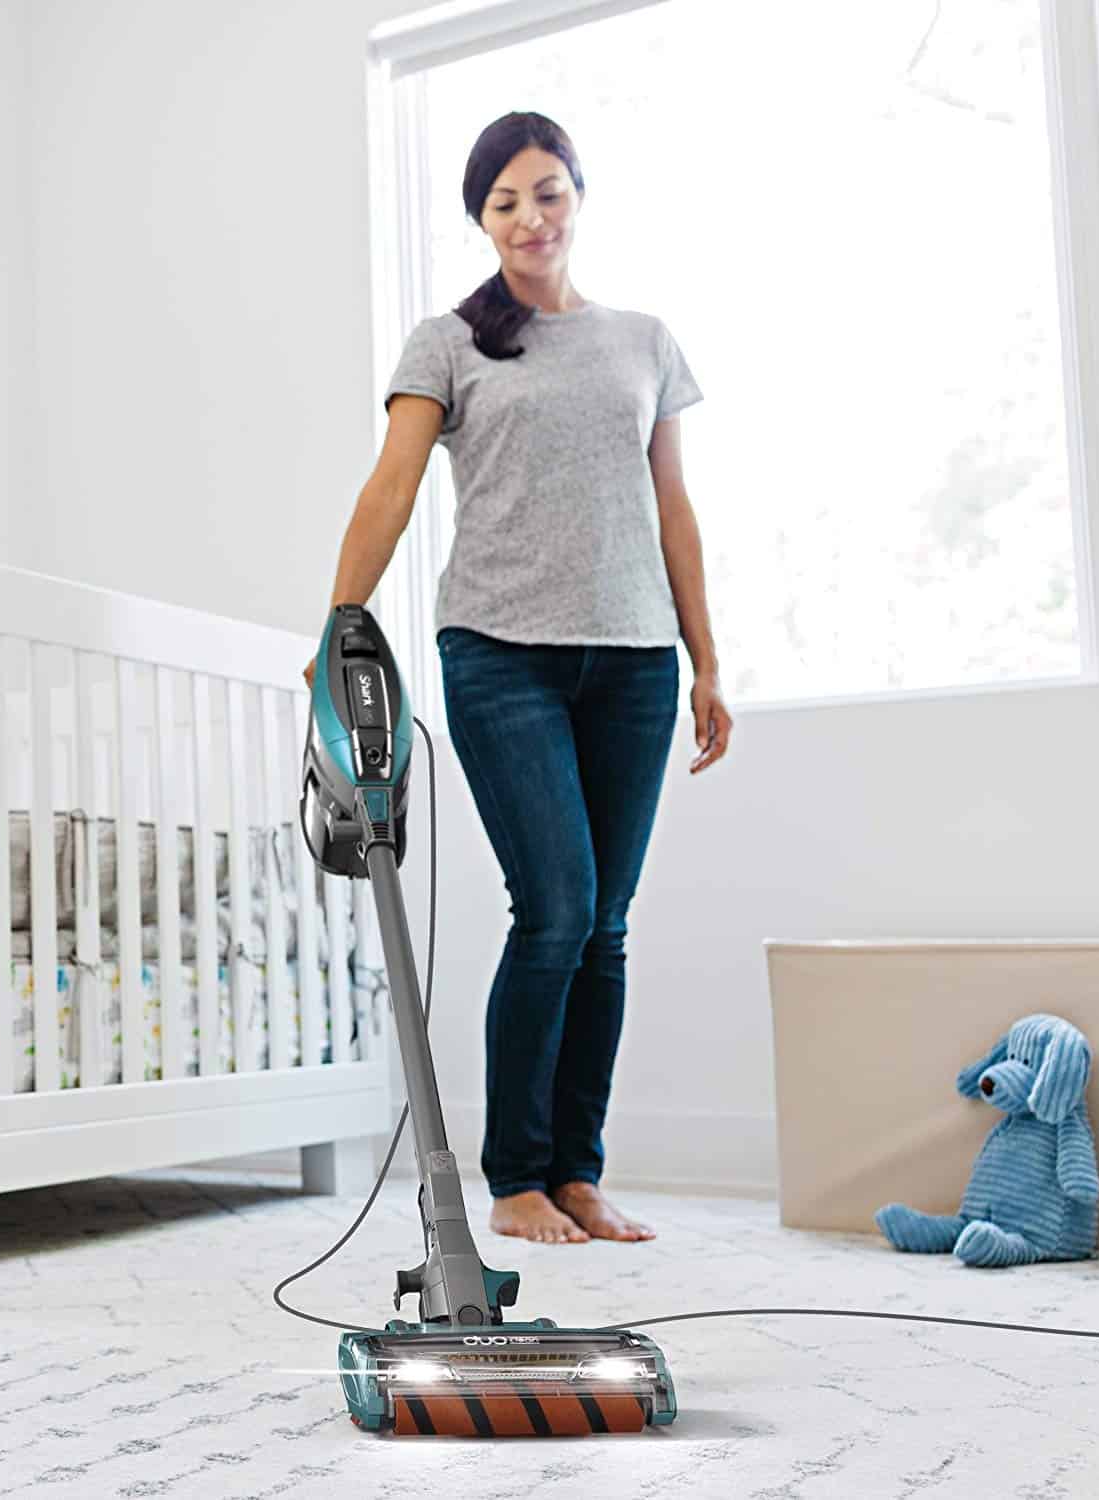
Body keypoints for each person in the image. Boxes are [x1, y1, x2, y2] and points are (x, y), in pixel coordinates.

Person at [305, 110, 732, 1246]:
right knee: (555, 910)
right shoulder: (447, 342)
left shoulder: (644, 341)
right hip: (498, 652)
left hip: (635, 658)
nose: (530, 217)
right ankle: (515, 1179)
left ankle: (580, 1172)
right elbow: (392, 484)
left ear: (577, 196)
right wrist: (341, 622)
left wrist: (707, 659)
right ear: (482, 221)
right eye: (504, 202)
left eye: (546, 193)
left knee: (608, 926)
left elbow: (672, 511)